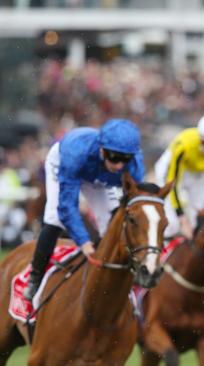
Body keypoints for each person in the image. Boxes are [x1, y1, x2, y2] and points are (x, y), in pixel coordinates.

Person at [23, 119, 144, 301]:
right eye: (114, 157)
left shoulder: (134, 165)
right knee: (55, 217)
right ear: (102, 149)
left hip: (99, 174)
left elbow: (135, 206)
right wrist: (84, 242)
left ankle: (113, 278)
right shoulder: (75, 154)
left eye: (125, 159)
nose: (119, 165)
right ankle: (35, 277)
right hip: (67, 164)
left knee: (110, 223)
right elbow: (67, 207)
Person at [154, 112, 204, 239]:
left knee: (197, 220)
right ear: (201, 140)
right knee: (172, 223)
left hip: (200, 172)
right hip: (173, 169)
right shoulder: (184, 146)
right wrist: (181, 216)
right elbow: (172, 185)